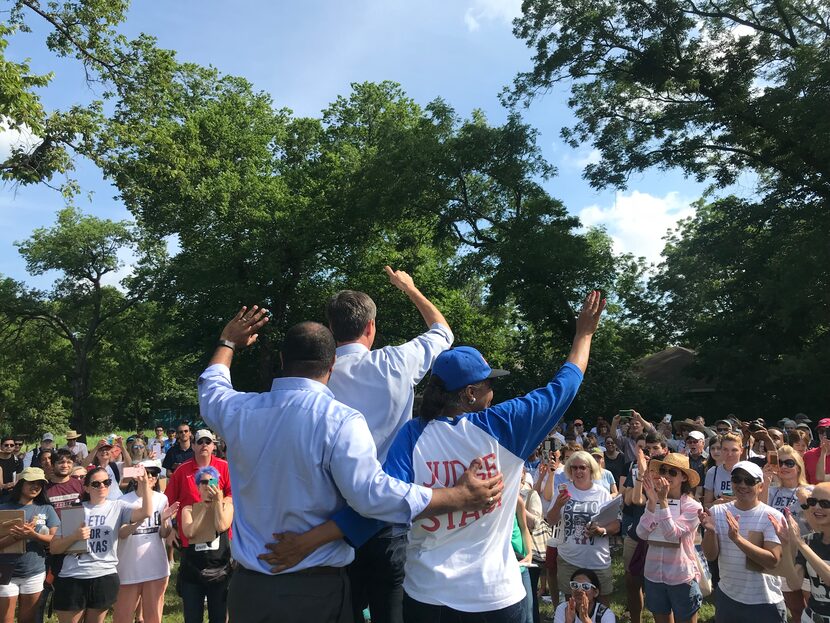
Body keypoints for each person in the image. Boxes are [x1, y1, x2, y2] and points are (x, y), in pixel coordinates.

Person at [198, 309, 504, 623]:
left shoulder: (239, 411)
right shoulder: (339, 420)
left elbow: (212, 387)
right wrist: (457, 497)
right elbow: (372, 497)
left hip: (249, 590)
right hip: (314, 591)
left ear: (281, 359)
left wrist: (228, 342)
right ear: (332, 365)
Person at [325, 266, 454, 623]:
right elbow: (443, 331)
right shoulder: (395, 362)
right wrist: (409, 289)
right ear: (371, 328)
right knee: (391, 612)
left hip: (334, 518)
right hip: (390, 515)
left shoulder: (320, 373)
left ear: (333, 328)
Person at [49, 466, 153, 623]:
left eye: (106, 482)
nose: (102, 486)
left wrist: (145, 485)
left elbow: (146, 512)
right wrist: (74, 537)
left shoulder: (118, 507)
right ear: (87, 488)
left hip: (104, 575)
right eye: (96, 484)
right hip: (73, 576)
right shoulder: (74, 510)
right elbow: (54, 548)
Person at [699, 460, 786, 623]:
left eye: (749, 480)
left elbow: (773, 561)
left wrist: (738, 539)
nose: (742, 484)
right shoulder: (717, 511)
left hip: (764, 601)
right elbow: (710, 556)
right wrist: (710, 532)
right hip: (728, 598)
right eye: (737, 479)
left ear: (760, 486)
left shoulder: (772, 516)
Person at [636, 454, 703, 623]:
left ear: (684, 477)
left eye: (672, 472)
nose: (666, 475)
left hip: (680, 576)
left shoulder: (693, 506)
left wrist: (663, 502)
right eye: (663, 470)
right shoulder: (654, 500)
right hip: (653, 574)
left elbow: (672, 534)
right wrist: (652, 503)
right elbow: (641, 534)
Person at [547, 450, 619, 605]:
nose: (578, 471)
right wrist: (558, 504)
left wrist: (601, 531)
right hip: (569, 558)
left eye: (582, 467)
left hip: (597, 559)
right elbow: (551, 521)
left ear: (591, 469)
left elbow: (616, 524)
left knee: (602, 604)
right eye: (574, 468)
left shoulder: (602, 493)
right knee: (572, 603)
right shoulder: (562, 490)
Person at [112, 460, 178, 623]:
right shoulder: (122, 501)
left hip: (155, 568)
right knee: (122, 617)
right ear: (135, 477)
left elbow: (164, 533)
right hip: (128, 569)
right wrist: (140, 520)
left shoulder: (162, 499)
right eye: (145, 473)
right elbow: (121, 533)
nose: (149, 477)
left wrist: (164, 521)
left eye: (153, 474)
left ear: (156, 479)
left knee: (153, 617)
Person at [0, 467, 59, 623]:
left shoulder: (47, 509)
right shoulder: (3, 508)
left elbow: (56, 539)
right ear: (21, 484)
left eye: (40, 483)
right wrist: (14, 537)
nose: (36, 486)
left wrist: (33, 535)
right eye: (32, 482)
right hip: (5, 571)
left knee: (28, 619)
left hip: (34, 572)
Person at [761, 444, 810, 621]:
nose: (783, 467)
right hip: (781, 553)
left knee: (814, 605)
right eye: (779, 462)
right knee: (795, 608)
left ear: (798, 467)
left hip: (805, 553)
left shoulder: (811, 491)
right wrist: (765, 480)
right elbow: (760, 511)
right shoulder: (771, 490)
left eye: (789, 463)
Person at [177, 466, 233, 623]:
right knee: (193, 618)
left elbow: (222, 525)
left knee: (219, 617)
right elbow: (189, 532)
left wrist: (217, 503)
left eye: (212, 481)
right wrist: (203, 510)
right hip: (193, 571)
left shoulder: (226, 506)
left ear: (219, 484)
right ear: (197, 486)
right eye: (203, 482)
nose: (208, 485)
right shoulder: (188, 509)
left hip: (219, 571)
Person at [164, 430, 232, 556]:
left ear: (214, 446)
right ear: (193, 446)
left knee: (221, 571)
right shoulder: (181, 471)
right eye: (200, 442)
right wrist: (171, 528)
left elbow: (233, 495)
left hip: (218, 532)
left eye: (208, 442)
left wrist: (222, 502)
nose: (204, 445)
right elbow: (166, 502)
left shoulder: (225, 467)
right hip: (191, 534)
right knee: (191, 573)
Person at [770, 482, 830, 623]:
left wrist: (801, 544)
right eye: (812, 502)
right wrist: (786, 544)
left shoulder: (805, 544)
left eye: (825, 503)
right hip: (811, 618)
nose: (816, 507)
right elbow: (794, 583)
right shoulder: (810, 541)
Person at [704, 433, 743, 509]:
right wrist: (715, 504)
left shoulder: (749, 471)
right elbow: (706, 505)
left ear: (741, 450)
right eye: (725, 449)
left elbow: (759, 504)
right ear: (721, 450)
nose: (729, 454)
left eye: (734, 450)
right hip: (720, 516)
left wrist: (739, 501)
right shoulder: (713, 472)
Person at [803, 418, 830, 484]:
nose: (824, 434)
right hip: (813, 493)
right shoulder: (808, 455)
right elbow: (804, 481)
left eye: (828, 431)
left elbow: (821, 478)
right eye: (821, 431)